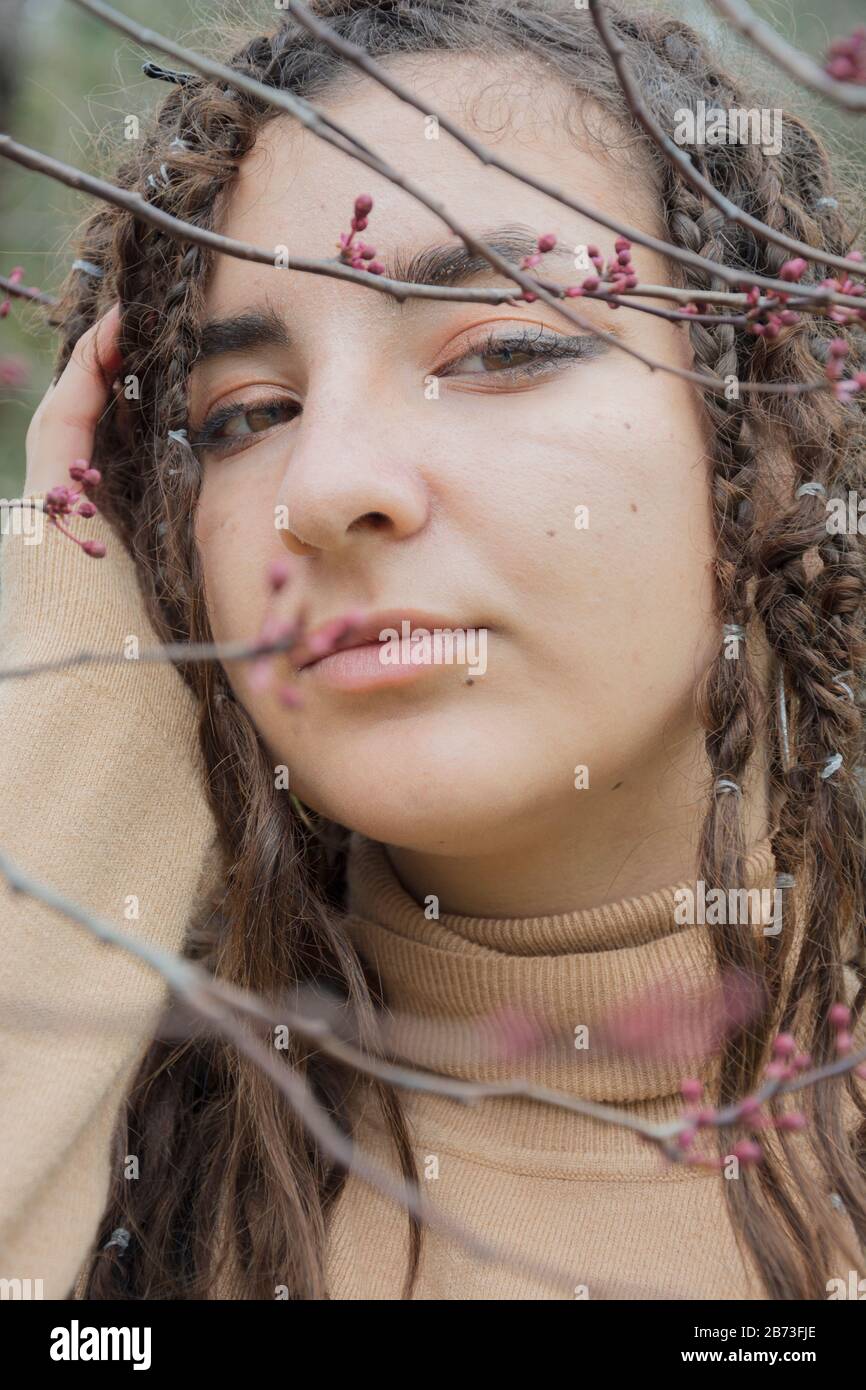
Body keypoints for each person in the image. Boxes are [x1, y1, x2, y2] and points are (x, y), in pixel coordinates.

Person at [1, 0, 864, 1300]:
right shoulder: (111, 1159)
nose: (324, 481)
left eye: (500, 349)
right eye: (245, 416)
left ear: (775, 430)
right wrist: (81, 675)